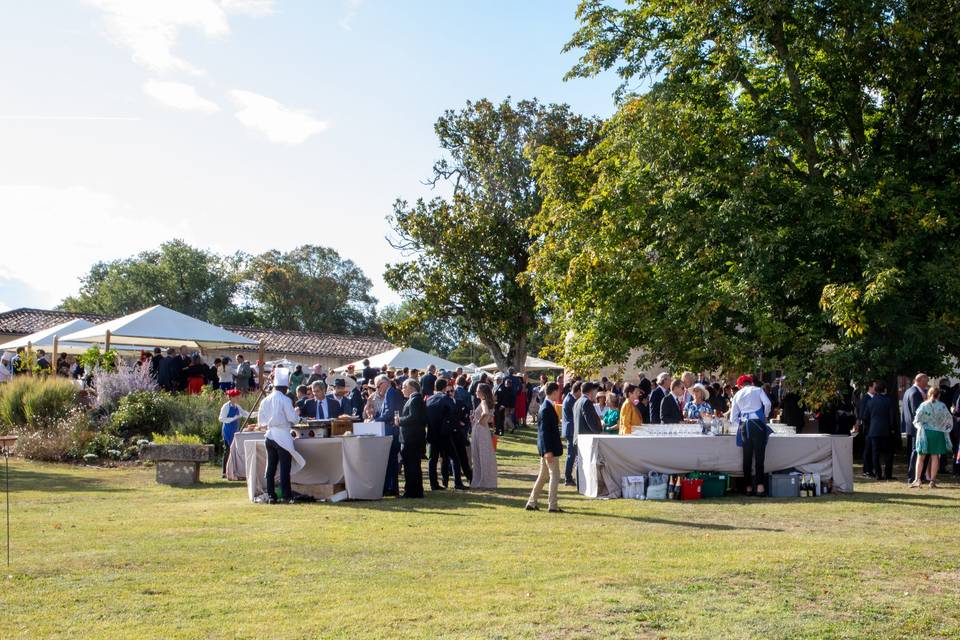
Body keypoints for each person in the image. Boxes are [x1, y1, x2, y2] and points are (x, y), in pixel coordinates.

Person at [258, 368, 304, 503]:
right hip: (282, 435)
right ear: (284, 387)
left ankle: (271, 495)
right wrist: (297, 414)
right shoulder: (285, 399)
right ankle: (287, 495)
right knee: (285, 468)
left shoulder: (265, 400)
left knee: (270, 467)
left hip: (269, 435)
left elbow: (261, 422)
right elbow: (293, 419)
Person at [731, 375, 772, 496]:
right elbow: (768, 404)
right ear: (751, 382)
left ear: (740, 385)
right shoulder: (758, 390)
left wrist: (742, 420)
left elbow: (733, 417)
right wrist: (765, 415)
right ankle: (760, 487)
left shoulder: (737, 394)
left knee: (747, 457)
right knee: (760, 456)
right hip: (757, 424)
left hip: (745, 425)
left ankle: (748, 487)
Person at [525, 382, 564, 512]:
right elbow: (544, 432)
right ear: (553, 392)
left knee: (543, 476)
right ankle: (552, 505)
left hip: (548, 448)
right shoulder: (546, 408)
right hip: (549, 449)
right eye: (558, 391)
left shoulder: (547, 406)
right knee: (555, 476)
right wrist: (547, 451)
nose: (559, 394)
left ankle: (531, 502)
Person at [426, 378, 465, 490]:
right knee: (454, 458)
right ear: (444, 388)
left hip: (432, 433)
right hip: (444, 434)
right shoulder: (445, 398)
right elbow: (453, 413)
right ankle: (457, 482)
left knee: (432, 460)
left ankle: (434, 484)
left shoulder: (429, 399)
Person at [910, 386, 953, 488]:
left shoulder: (923, 405)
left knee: (920, 457)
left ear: (929, 393)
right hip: (938, 433)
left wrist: (921, 427)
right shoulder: (942, 406)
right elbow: (949, 419)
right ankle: (932, 481)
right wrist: (944, 428)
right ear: (939, 395)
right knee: (935, 457)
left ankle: (917, 479)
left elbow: (916, 419)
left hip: (925, 433)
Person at [372, 374, 404, 496]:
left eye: (378, 386)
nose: (377, 389)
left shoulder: (390, 393)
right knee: (391, 461)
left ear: (385, 383)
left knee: (391, 460)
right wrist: (376, 416)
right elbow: (386, 412)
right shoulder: (392, 393)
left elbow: (390, 413)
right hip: (392, 430)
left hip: (392, 431)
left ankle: (392, 488)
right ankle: (391, 487)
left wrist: (376, 420)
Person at [397, 378, 427, 498]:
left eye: (404, 387)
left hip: (412, 439)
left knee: (411, 466)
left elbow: (414, 417)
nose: (402, 389)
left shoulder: (415, 400)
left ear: (412, 388)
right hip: (412, 438)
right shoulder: (414, 399)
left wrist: (400, 420)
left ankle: (412, 491)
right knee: (411, 465)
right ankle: (414, 490)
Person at [862, 381, 896, 481]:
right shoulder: (889, 401)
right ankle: (887, 474)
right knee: (888, 453)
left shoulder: (870, 401)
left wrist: (871, 425)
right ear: (885, 390)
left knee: (875, 454)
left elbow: (865, 417)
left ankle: (878, 474)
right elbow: (892, 417)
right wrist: (893, 428)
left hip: (874, 431)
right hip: (886, 431)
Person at [902, 373, 929, 484]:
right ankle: (914, 476)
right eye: (926, 381)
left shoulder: (909, 391)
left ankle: (919, 475)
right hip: (917, 427)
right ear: (920, 381)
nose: (927, 384)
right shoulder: (915, 393)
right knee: (916, 452)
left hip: (910, 427)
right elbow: (917, 412)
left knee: (914, 451)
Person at [470, 383, 498, 489]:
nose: (476, 392)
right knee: (483, 454)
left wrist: (479, 421)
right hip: (483, 430)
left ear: (482, 392)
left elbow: (486, 413)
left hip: (480, 430)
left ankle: (483, 481)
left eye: (477, 390)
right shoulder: (487, 402)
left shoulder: (483, 402)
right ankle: (483, 480)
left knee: (480, 455)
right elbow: (490, 418)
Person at [219, 389, 249, 477]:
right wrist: (234, 418)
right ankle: (224, 472)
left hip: (235, 430)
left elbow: (245, 414)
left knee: (234, 451)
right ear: (231, 398)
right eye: (236, 397)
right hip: (227, 431)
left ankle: (232, 470)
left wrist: (258, 413)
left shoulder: (237, 406)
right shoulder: (226, 406)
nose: (238, 398)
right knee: (227, 450)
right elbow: (221, 418)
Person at [562, 381, 582, 486]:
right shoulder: (571, 400)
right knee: (571, 455)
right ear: (578, 391)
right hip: (571, 430)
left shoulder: (569, 398)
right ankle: (568, 478)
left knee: (572, 455)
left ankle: (568, 477)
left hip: (570, 429)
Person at [855, 381, 877, 477]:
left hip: (873, 428)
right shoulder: (865, 398)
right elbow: (862, 415)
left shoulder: (875, 398)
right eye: (875, 387)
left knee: (872, 450)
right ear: (870, 387)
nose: (876, 389)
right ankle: (867, 470)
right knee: (868, 449)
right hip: (868, 428)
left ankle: (871, 469)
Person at [573, 382, 602, 450]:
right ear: (591, 391)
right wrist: (598, 431)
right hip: (585, 440)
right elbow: (590, 421)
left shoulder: (577, 402)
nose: (596, 394)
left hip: (578, 439)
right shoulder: (586, 402)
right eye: (595, 391)